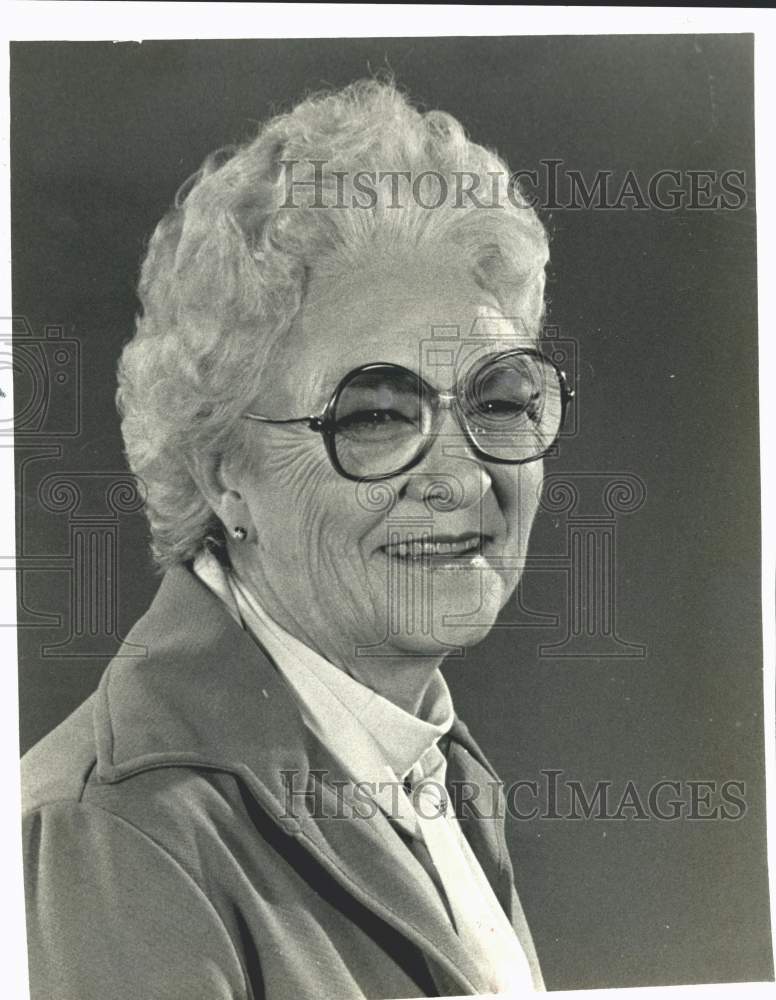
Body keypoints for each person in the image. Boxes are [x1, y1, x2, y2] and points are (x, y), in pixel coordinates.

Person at [21, 79, 572, 999]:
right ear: (223, 471)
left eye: (499, 400)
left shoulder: (425, 760)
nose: (463, 476)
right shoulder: (116, 833)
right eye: (375, 415)